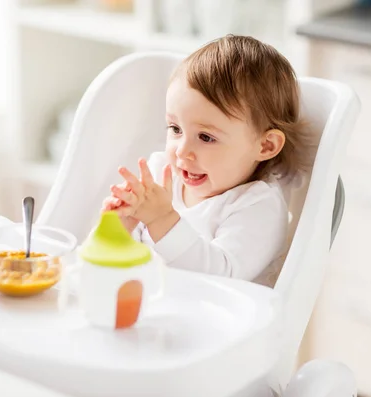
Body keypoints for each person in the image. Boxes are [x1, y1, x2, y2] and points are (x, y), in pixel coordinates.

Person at [102, 35, 315, 285]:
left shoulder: (257, 205)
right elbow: (127, 263)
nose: (181, 151)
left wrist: (161, 220)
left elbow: (222, 277)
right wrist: (121, 227)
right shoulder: (163, 175)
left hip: (223, 321)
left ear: (265, 145)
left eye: (205, 137)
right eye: (175, 128)